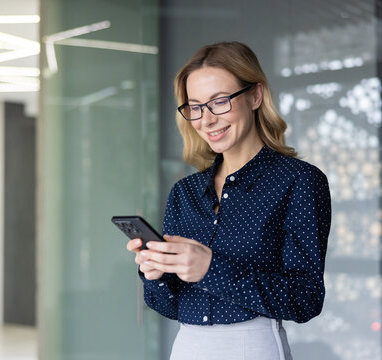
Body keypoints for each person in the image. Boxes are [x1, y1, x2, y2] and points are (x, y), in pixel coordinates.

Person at [126, 41, 332, 360]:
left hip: (254, 347)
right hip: (186, 347)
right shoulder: (185, 192)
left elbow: (305, 300)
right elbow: (166, 305)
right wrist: (155, 273)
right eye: (195, 106)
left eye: (219, 101)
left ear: (255, 96)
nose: (206, 120)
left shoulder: (299, 180)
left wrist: (210, 268)